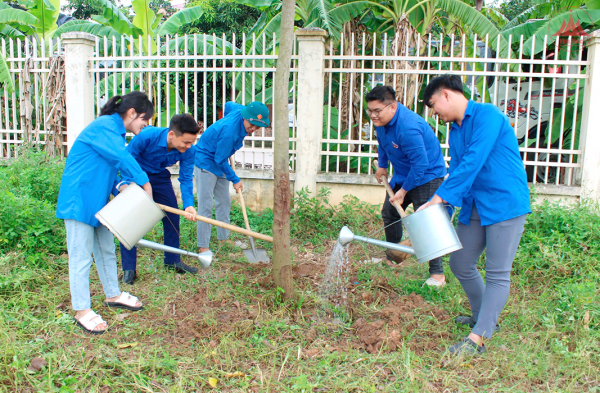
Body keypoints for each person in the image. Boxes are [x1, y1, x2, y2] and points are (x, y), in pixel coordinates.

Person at [419, 75, 531, 355]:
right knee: (460, 262)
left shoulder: (488, 116)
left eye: (433, 105)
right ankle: (483, 318)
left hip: (504, 204)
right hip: (475, 205)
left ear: (446, 94)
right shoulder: (455, 130)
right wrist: (441, 207)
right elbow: (457, 171)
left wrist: (439, 197)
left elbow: (473, 161)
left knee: (497, 273)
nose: (434, 113)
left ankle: (478, 337)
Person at [56, 91, 154, 335]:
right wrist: (144, 182)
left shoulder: (114, 133)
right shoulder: (104, 127)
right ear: (132, 113)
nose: (145, 125)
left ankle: (113, 294)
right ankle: (81, 311)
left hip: (99, 200)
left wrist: (120, 186)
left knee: (106, 250)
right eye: (145, 119)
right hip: (79, 200)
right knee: (80, 257)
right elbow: (120, 158)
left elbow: (107, 167)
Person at [366, 85, 448, 287]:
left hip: (428, 176)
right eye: (370, 111)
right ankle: (392, 258)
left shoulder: (408, 127)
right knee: (390, 213)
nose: (373, 116)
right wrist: (382, 166)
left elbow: (421, 165)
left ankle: (437, 275)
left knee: (426, 222)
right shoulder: (381, 122)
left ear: (392, 107)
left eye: (377, 111)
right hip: (404, 174)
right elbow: (382, 142)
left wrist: (403, 192)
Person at [119, 114, 200, 284]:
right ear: (171, 135)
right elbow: (126, 159)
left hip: (160, 178)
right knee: (130, 221)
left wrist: (188, 205)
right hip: (137, 175)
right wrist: (129, 185)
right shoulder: (147, 137)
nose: (189, 146)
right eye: (185, 142)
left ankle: (172, 260)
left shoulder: (189, 151)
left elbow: (185, 178)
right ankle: (129, 269)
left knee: (172, 217)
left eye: (191, 142)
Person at [194, 101, 270, 253]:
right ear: (246, 117)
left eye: (257, 127)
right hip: (205, 161)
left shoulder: (241, 110)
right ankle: (203, 246)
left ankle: (224, 239)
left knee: (224, 201)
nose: (253, 129)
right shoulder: (229, 132)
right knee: (206, 205)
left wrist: (227, 117)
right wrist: (235, 179)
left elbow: (228, 105)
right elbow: (219, 159)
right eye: (252, 125)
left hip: (220, 159)